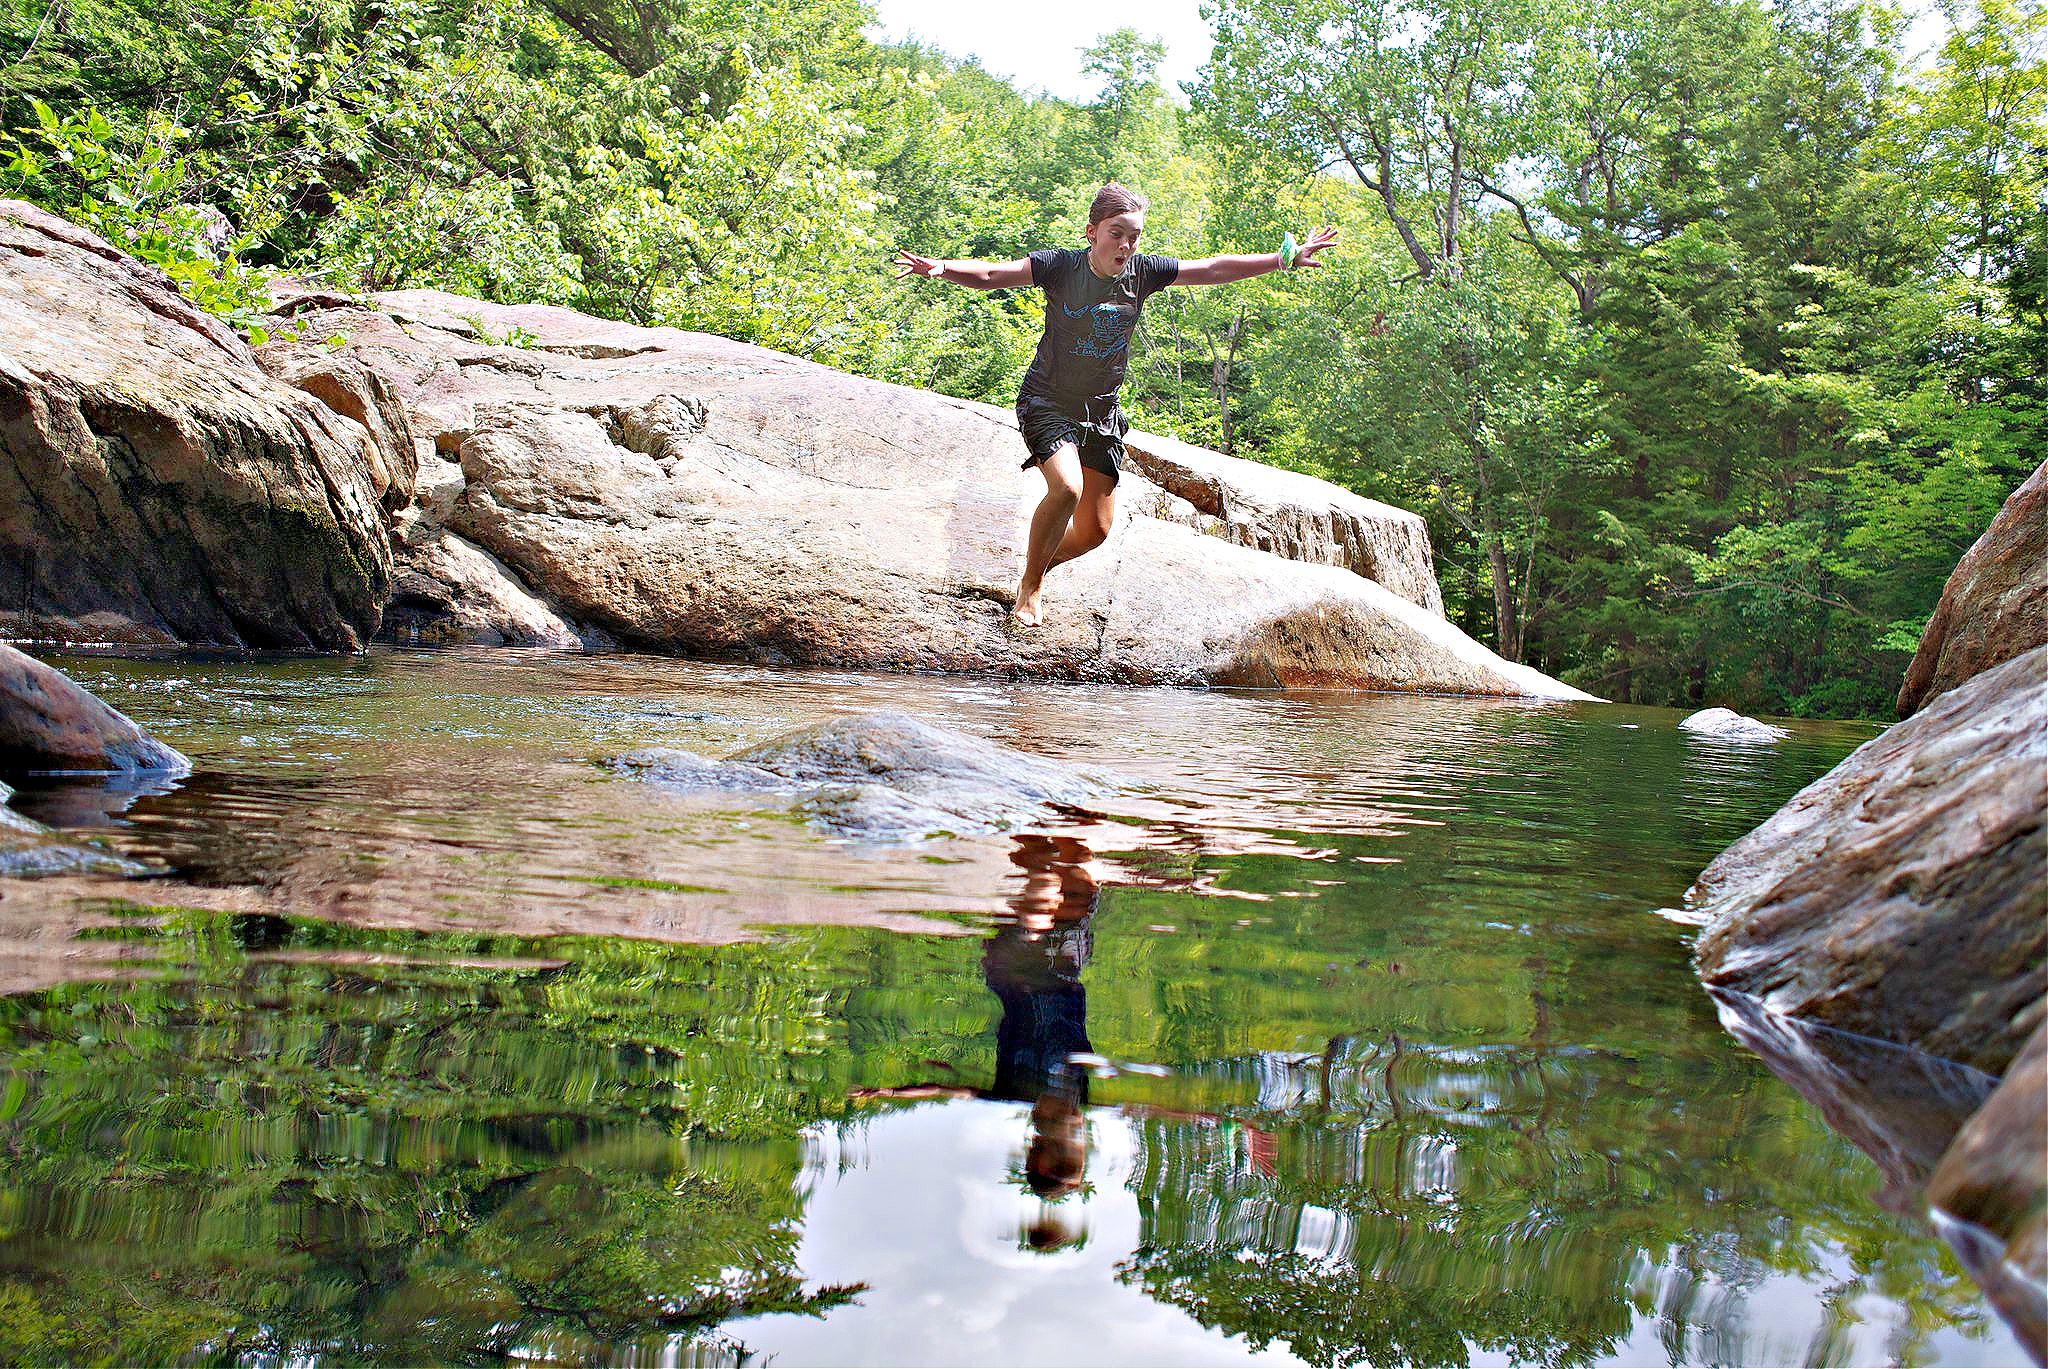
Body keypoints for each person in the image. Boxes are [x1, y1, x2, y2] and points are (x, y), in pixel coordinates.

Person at [894, 183, 1337, 626]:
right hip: (1048, 400)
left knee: (1095, 532)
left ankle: (1037, 563)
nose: (1126, 245)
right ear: (1092, 232)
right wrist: (942, 268)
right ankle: (1031, 587)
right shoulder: (1061, 267)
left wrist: (1282, 259)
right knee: (1067, 489)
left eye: (1134, 236)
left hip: (1102, 411)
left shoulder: (1143, 273)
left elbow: (1212, 268)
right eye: (1116, 234)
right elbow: (995, 275)